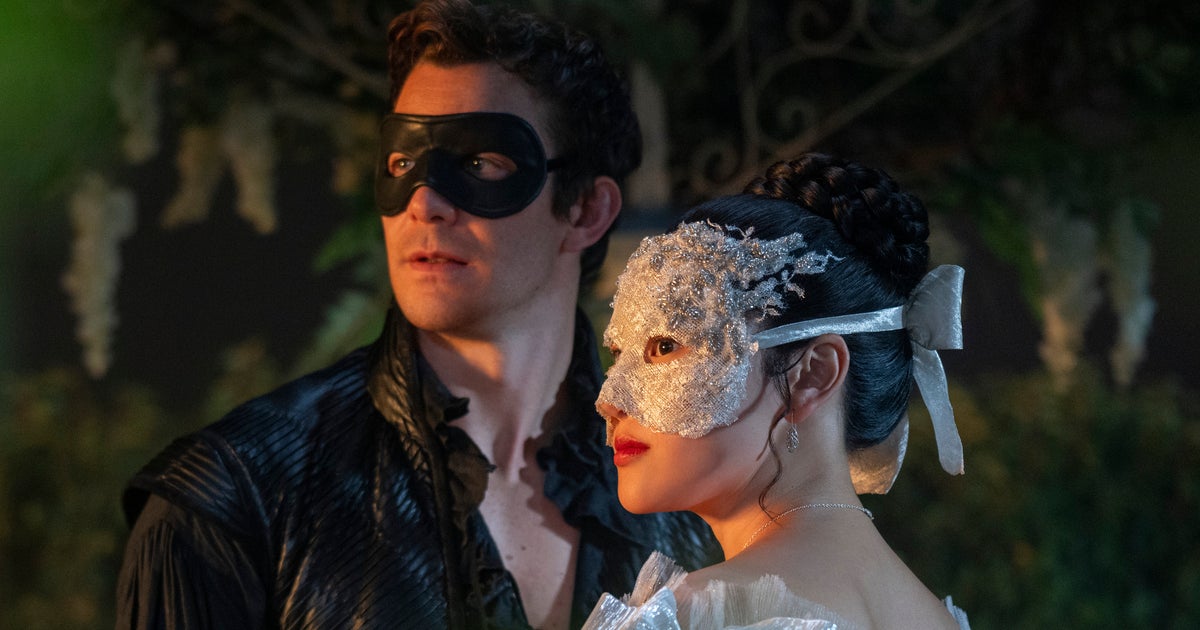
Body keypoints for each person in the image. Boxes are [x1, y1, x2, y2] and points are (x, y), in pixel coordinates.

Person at [114, 1, 720, 628]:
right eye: (403, 163)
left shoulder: (692, 497)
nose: (424, 202)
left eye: (481, 164)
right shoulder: (234, 502)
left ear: (587, 211)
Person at [583, 152, 971, 629]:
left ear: (812, 375)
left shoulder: (681, 618)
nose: (610, 400)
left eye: (665, 346)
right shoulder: (940, 620)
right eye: (617, 354)